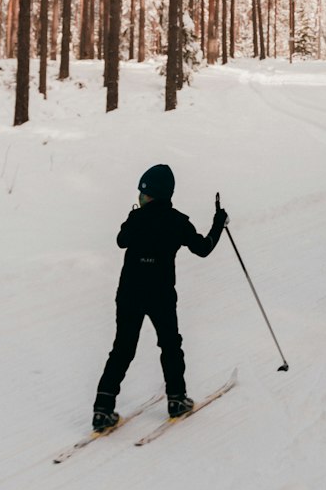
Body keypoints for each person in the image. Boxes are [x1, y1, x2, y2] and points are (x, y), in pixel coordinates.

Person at [92, 164, 228, 431]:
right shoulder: (177, 221)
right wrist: (219, 223)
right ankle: (177, 400)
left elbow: (121, 240)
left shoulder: (136, 219)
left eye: (145, 195)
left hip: (129, 291)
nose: (141, 199)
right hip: (160, 293)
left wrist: (133, 218)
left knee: (122, 349)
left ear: (155, 195)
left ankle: (102, 410)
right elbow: (203, 249)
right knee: (170, 344)